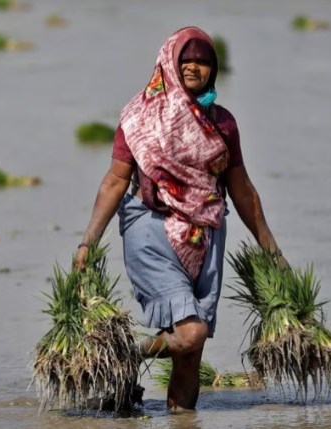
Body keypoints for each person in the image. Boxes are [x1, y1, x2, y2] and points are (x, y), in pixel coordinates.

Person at [74, 26, 286, 412]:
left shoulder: (223, 123)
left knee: (192, 352)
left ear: (214, 70)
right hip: (150, 229)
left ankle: (181, 419)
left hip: (204, 235)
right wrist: (88, 240)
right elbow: (116, 180)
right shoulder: (139, 117)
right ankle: (124, 355)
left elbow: (241, 190)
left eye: (204, 61)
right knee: (192, 333)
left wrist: (271, 249)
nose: (194, 66)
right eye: (186, 59)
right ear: (169, 63)